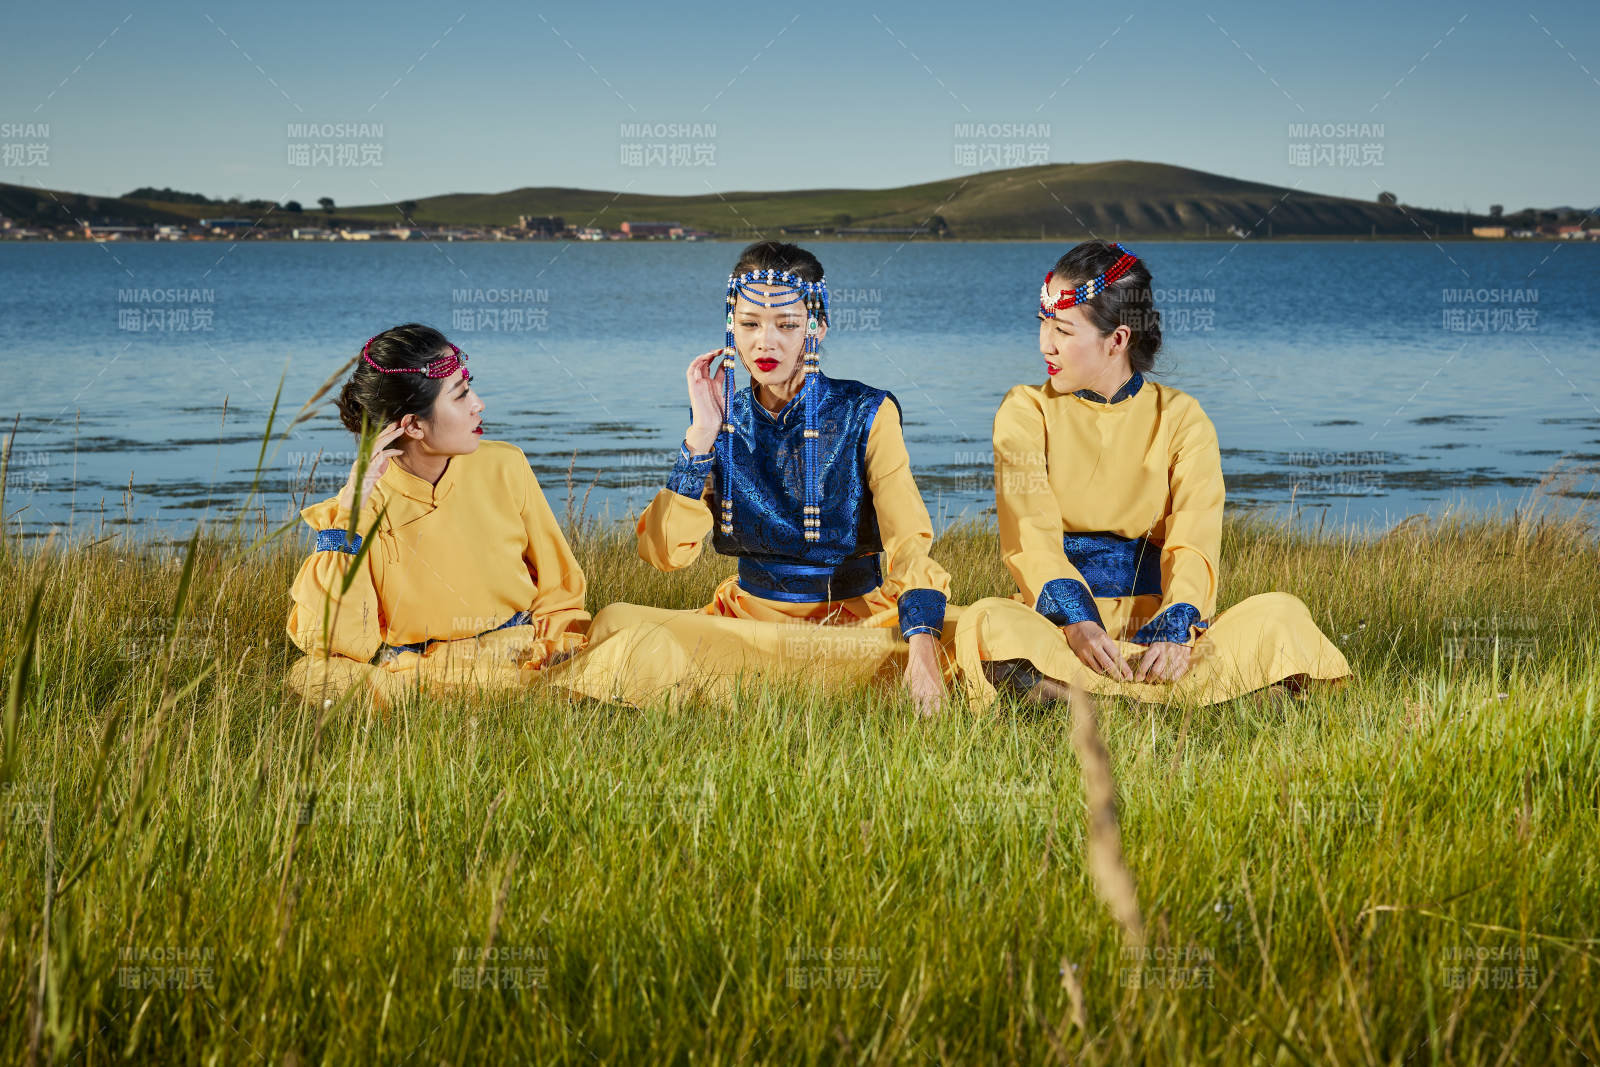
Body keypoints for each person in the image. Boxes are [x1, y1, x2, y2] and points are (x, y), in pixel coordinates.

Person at [545, 242, 953, 713]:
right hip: (744, 623)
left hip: (854, 625)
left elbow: (909, 543)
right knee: (618, 620)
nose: (765, 342)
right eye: (750, 324)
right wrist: (701, 436)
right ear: (731, 328)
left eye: (787, 325)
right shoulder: (723, 418)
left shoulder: (866, 412)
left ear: (817, 328)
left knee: (990, 627)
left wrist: (922, 648)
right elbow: (663, 555)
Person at [952, 241, 1350, 705]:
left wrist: (1175, 629)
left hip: (1159, 632)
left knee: (1282, 613)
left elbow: (1194, 539)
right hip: (1062, 630)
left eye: (1062, 329)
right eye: (1043, 323)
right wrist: (1078, 622)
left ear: (1117, 340)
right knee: (990, 622)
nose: (1046, 344)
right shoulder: (1026, 410)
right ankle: (1201, 701)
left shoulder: (1182, 417)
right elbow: (1030, 532)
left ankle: (1088, 699)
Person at [285, 323, 589, 707]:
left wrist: (553, 649)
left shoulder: (505, 464)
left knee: (633, 631)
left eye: (469, 387)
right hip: (419, 674)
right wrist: (351, 513)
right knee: (316, 675)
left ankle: (533, 689)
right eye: (460, 395)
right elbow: (336, 641)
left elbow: (559, 590)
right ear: (413, 425)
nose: (479, 404)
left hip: (522, 652)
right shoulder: (363, 505)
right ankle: (520, 696)